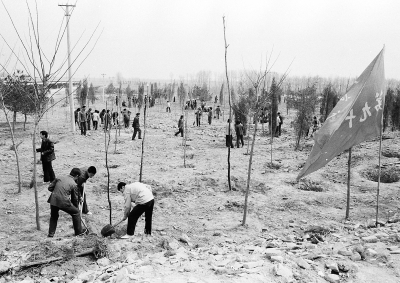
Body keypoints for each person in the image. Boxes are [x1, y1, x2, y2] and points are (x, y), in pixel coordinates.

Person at [47, 168, 88, 237]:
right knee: (76, 213)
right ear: (77, 176)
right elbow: (74, 199)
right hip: (63, 201)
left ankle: (51, 234)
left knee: (54, 216)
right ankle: (79, 232)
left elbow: (50, 188)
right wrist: (76, 208)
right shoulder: (73, 184)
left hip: (53, 200)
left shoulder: (59, 177)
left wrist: (58, 192)